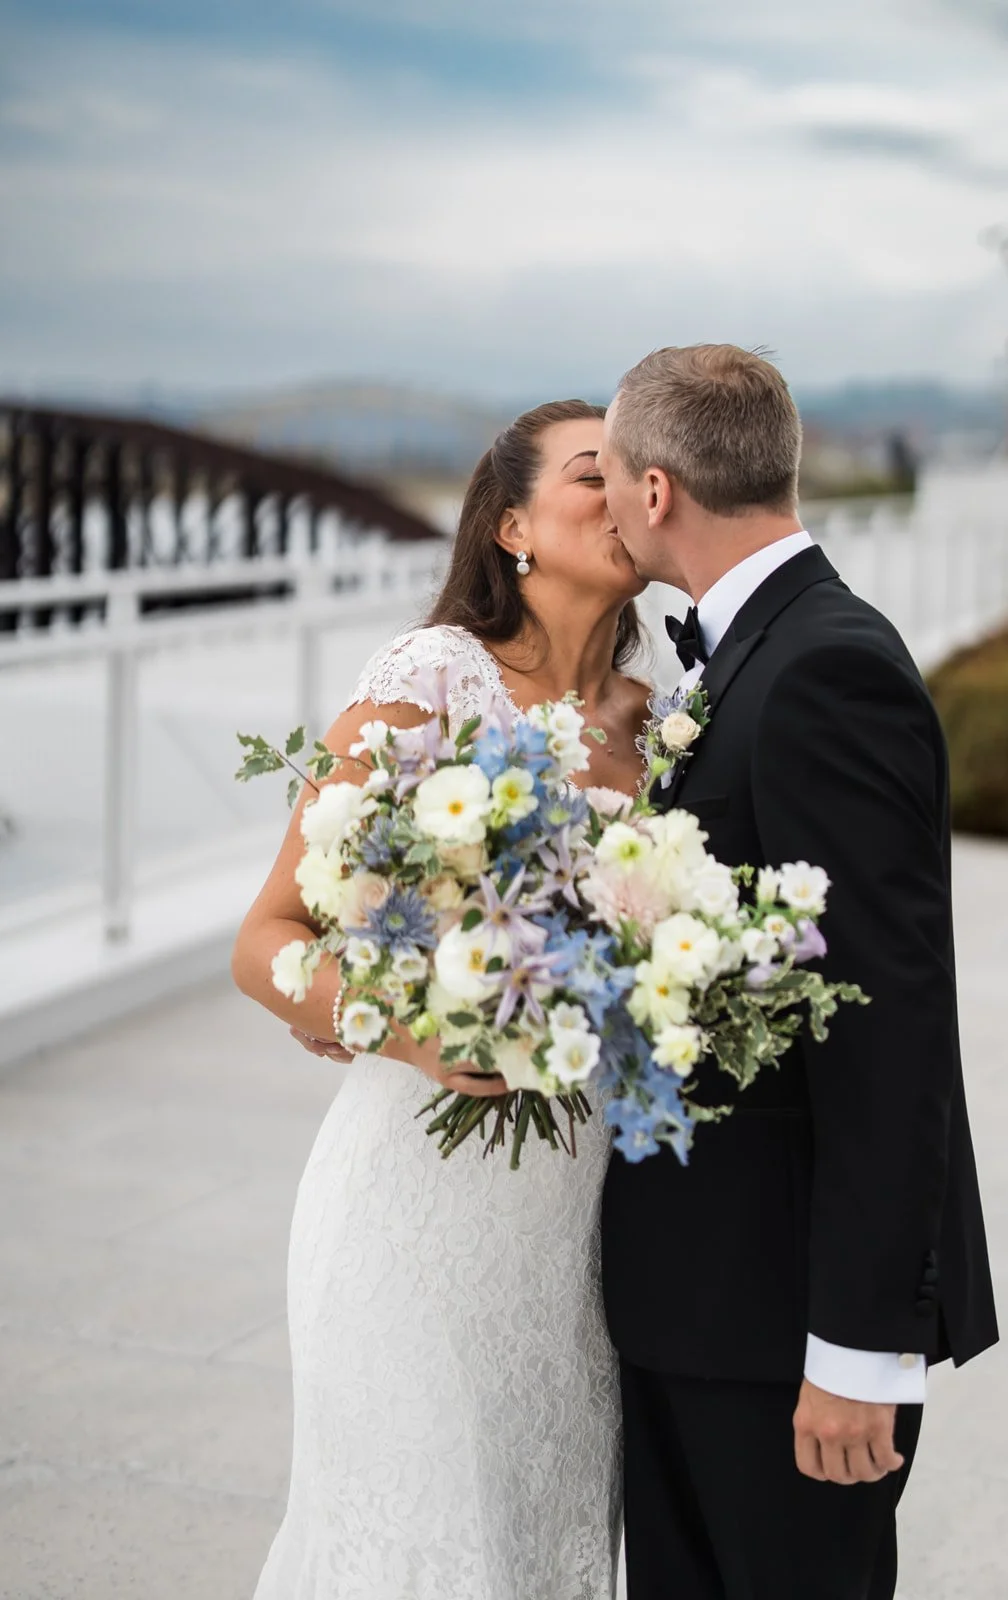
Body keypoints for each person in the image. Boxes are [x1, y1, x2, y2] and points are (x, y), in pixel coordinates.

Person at [596, 345, 999, 1600]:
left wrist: (856, 1350)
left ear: (657, 491)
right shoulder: (741, 657)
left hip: (783, 1333)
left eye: (607, 475)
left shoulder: (827, 668)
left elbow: (892, 1031)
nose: (607, 504)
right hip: (699, 1308)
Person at [232, 399, 650, 1600]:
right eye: (591, 474)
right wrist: (409, 1026)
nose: (624, 494)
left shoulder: (659, 715)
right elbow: (266, 938)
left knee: (537, 1551)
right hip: (410, 1213)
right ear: (513, 525)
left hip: (574, 1239)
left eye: (635, 474)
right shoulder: (430, 684)